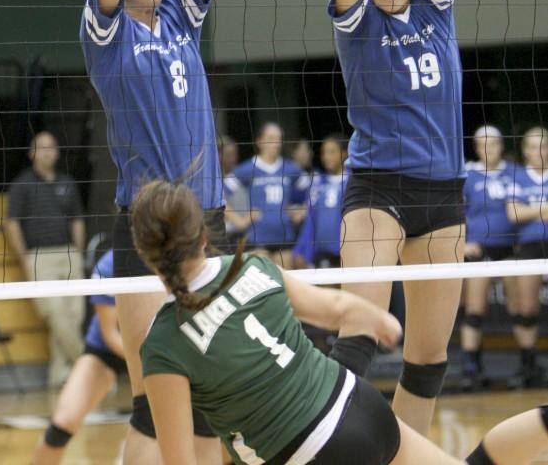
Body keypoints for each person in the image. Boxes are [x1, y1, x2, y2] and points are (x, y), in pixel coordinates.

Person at [80, 0, 273, 465]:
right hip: (146, 229)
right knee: (150, 400)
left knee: (212, 390)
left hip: (210, 224)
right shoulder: (106, 36)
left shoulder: (179, 22)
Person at [132, 180, 548, 465]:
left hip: (304, 452)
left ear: (145, 254)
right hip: (359, 406)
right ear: (203, 236)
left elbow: (180, 459)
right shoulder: (251, 266)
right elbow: (334, 308)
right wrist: (374, 317)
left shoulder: (162, 345)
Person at [326, 0, 465, 436]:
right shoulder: (358, 24)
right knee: (358, 341)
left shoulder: (436, 11)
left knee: (428, 359)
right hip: (378, 189)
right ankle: (328, 450)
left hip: (444, 194)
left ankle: (403, 455)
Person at [5, 131, 86, 387]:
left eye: (52, 147)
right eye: (42, 147)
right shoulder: (22, 185)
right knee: (56, 313)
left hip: (69, 254)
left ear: (58, 151)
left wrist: (78, 252)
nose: (48, 152)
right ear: (31, 153)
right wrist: (24, 257)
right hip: (39, 256)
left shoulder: (67, 182)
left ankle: (60, 374)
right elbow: (11, 223)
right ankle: (88, 368)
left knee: (75, 314)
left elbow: (77, 220)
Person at [32, 249, 126, 464]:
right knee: (62, 424)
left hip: (161, 348)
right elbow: (110, 334)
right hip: (109, 350)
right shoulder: (110, 264)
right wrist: (148, 361)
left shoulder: (176, 254)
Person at [460, 125, 518, 391]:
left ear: (501, 145)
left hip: (512, 250)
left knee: (520, 310)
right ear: (476, 147)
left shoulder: (514, 173)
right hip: (479, 249)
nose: (488, 148)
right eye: (482, 144)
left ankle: (526, 364)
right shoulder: (467, 174)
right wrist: (462, 243)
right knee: (475, 310)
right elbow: (455, 212)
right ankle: (471, 367)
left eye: (492, 143)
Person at [229, 122, 310, 260]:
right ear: (259, 141)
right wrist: (239, 221)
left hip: (284, 236)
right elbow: (219, 194)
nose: (276, 143)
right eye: (271, 138)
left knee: (285, 279)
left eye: (279, 139)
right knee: (262, 278)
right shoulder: (248, 168)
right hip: (258, 237)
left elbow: (315, 189)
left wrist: (303, 210)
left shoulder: (291, 169)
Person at [505, 125, 548, 387]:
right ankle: (528, 366)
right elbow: (514, 214)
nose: (538, 152)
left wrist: (530, 208)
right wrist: (543, 208)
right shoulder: (518, 176)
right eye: (533, 147)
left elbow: (523, 210)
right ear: (525, 151)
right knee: (526, 308)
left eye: (543, 146)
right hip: (531, 245)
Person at [292, 135, 348, 269]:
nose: (326, 157)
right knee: (326, 288)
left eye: (332, 152)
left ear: (344, 153)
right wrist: (301, 249)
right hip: (324, 251)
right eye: (324, 153)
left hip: (348, 248)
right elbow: (310, 218)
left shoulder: (354, 181)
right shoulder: (317, 182)